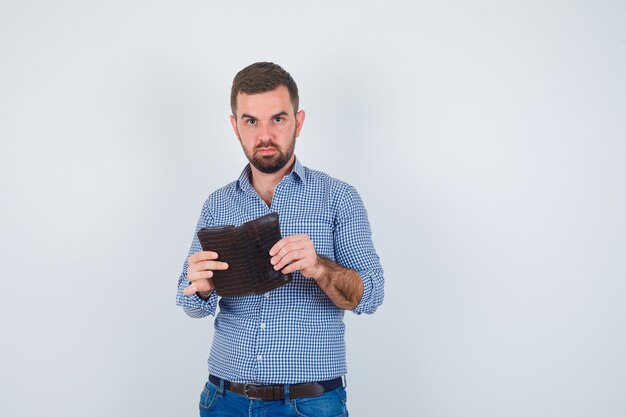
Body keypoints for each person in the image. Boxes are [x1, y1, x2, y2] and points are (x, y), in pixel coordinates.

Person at [176, 62, 384, 417]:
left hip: (310, 404)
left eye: (278, 118)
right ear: (235, 127)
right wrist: (202, 287)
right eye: (251, 121)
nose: (265, 135)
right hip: (224, 400)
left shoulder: (338, 198)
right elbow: (192, 303)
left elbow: (371, 296)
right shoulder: (217, 203)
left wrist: (319, 267)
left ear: (298, 122)